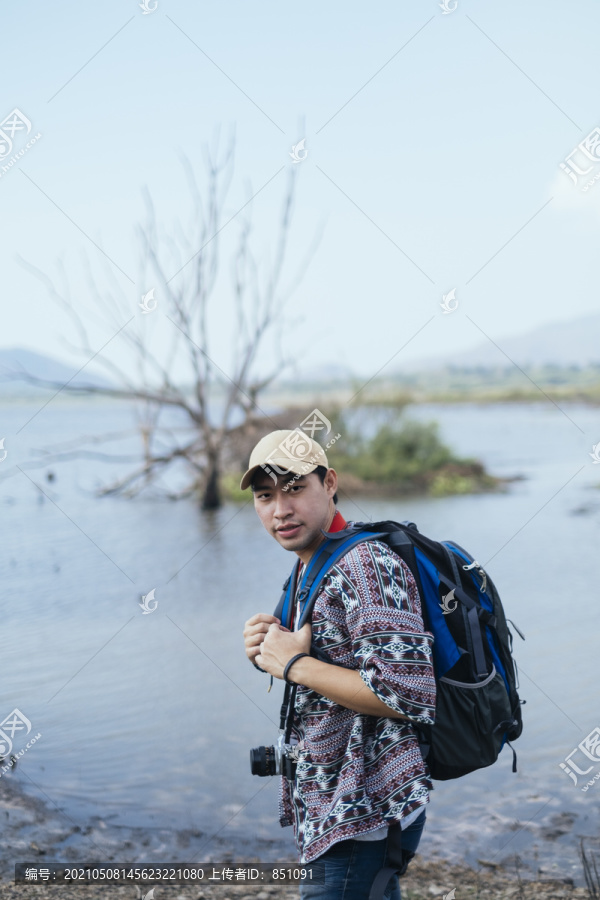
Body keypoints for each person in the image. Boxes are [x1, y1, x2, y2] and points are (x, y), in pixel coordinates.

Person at [242, 430, 436, 900]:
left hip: (364, 813)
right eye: (265, 496)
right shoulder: (312, 562)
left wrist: (293, 666)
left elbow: (409, 694)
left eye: (294, 489)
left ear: (329, 483)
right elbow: (330, 661)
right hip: (336, 807)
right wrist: (269, 651)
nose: (280, 510)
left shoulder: (367, 565)